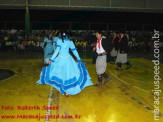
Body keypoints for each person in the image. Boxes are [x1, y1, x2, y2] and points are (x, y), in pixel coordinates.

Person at [37, 32, 93, 96]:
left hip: (60, 59)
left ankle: (65, 90)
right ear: (67, 35)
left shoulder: (59, 41)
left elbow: (57, 51)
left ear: (61, 36)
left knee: (61, 74)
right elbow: (74, 51)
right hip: (68, 60)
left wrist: (51, 59)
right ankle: (67, 91)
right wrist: (78, 58)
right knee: (68, 75)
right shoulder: (70, 42)